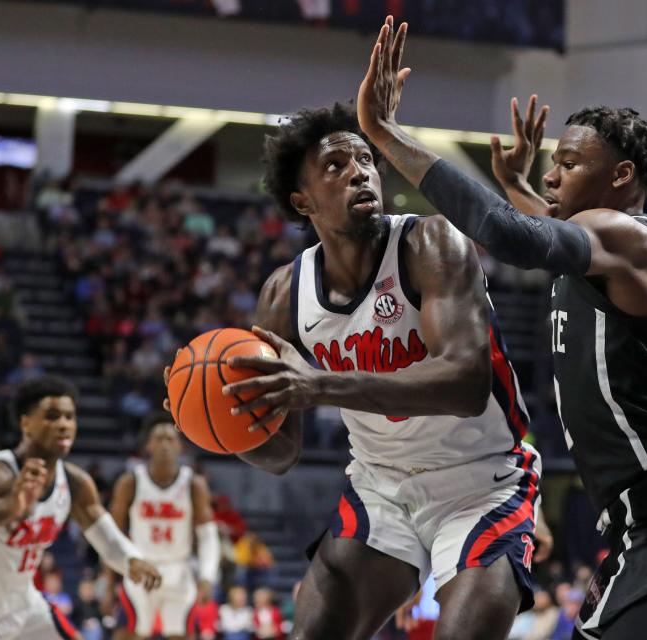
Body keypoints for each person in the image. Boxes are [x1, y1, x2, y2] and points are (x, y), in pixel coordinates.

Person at [352, 16, 647, 640]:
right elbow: (539, 221)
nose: (551, 175)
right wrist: (514, 183)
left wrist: (385, 133)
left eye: (568, 164)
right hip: (641, 520)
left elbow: (513, 234)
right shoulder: (594, 243)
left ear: (620, 177)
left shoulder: (628, 238)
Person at [171, 99, 549, 640]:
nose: (359, 171)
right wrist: (210, 422)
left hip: (482, 482)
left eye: (365, 160)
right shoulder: (284, 295)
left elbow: (466, 384)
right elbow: (282, 452)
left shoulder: (431, 242)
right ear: (303, 201)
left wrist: (319, 385)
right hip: (381, 488)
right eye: (336, 166)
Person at [0, 376, 161, 640]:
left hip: (26, 607)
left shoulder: (74, 483)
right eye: (52, 416)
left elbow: (104, 534)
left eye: (69, 417)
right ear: (25, 423)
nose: (63, 425)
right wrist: (10, 509)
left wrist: (132, 559)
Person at [109, 412, 220, 640]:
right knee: (129, 633)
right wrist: (108, 579)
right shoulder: (130, 482)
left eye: (170, 439)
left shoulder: (193, 484)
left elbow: (208, 536)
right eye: (159, 439)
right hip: (140, 567)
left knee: (181, 634)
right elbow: (112, 533)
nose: (165, 445)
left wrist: (207, 576)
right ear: (148, 445)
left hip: (178, 569)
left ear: (180, 446)